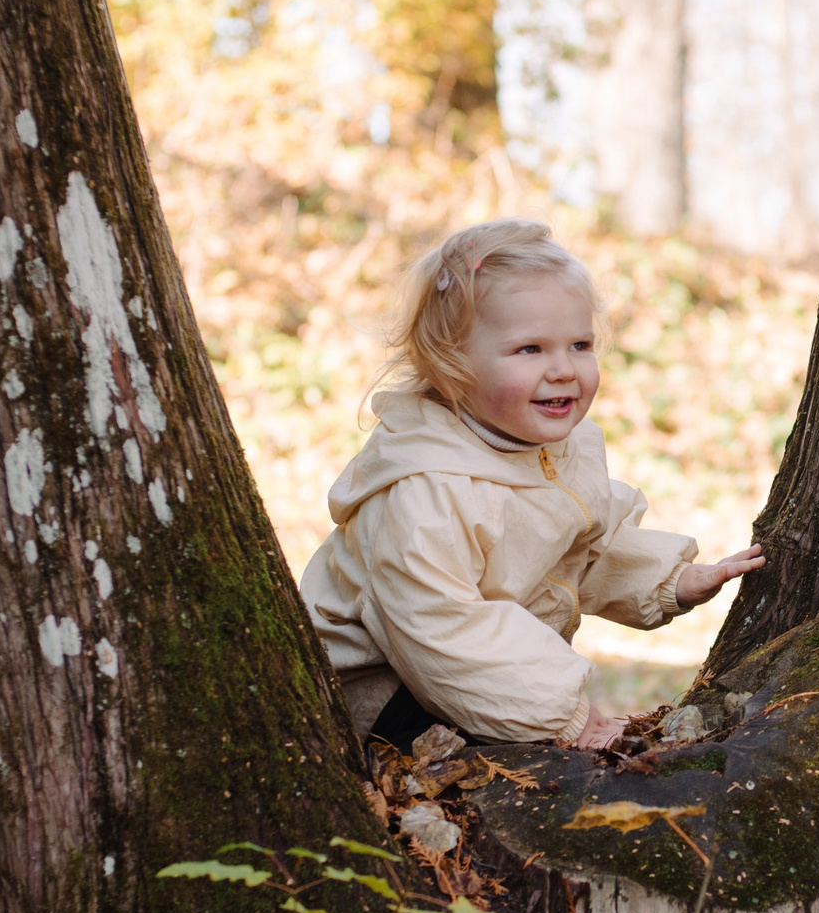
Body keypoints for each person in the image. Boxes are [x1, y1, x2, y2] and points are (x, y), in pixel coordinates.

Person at [300, 219, 763, 750]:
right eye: (530, 350)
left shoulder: (553, 452)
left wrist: (671, 579)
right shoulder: (427, 487)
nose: (564, 369)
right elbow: (441, 630)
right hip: (384, 690)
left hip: (460, 676)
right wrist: (564, 717)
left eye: (580, 344)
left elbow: (582, 545)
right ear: (452, 365)